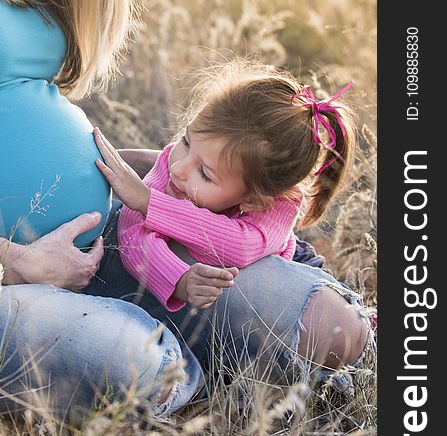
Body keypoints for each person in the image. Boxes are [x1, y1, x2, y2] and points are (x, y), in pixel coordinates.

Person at [0, 0, 371, 425]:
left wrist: (136, 180)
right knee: (143, 369)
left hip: (109, 231)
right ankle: (197, 390)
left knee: (331, 330)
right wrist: (15, 261)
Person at [91, 62, 356, 314]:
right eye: (185, 141)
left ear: (254, 200)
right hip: (222, 283)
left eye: (204, 173)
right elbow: (132, 234)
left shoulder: (278, 204)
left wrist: (149, 203)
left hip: (290, 264)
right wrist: (178, 278)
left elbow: (239, 246)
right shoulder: (174, 166)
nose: (178, 168)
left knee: (346, 320)